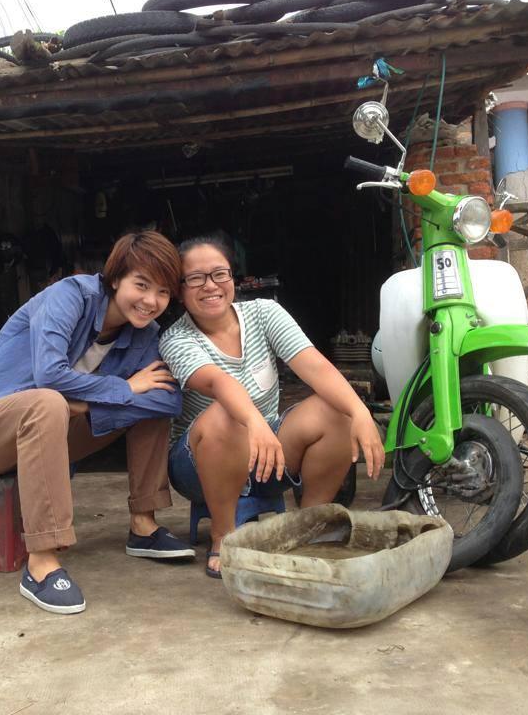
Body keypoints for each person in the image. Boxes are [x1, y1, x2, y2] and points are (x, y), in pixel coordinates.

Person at [0, 231, 195, 615]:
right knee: (50, 402)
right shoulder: (71, 296)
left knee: (147, 405)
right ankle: (41, 562)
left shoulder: (145, 334)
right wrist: (121, 388)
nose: (151, 301)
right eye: (141, 285)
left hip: (53, 428)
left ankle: (143, 525)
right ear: (115, 278)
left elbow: (168, 397)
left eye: (163, 292)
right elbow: (49, 373)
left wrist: (83, 407)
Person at [159, 235, 385, 578]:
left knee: (337, 412)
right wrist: (255, 423)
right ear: (180, 290)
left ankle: (309, 525)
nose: (210, 286)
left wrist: (360, 412)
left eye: (219, 274)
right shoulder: (176, 339)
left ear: (232, 277)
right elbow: (219, 383)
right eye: (195, 278)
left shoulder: (264, 313)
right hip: (199, 465)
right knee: (226, 413)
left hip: (267, 455)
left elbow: (314, 366)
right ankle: (223, 536)